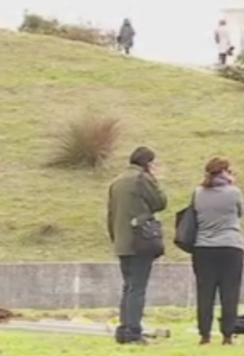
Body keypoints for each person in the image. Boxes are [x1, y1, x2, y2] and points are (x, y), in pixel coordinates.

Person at [107, 146, 168, 344]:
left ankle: (124, 330)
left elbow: (110, 214)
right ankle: (134, 331)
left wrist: (115, 238)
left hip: (121, 241)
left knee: (129, 287)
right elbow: (160, 202)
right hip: (140, 241)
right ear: (148, 163)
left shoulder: (116, 182)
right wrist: (155, 179)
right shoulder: (142, 179)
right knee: (138, 288)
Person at [191, 156, 244, 345]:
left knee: (205, 292)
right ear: (225, 172)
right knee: (230, 292)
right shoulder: (234, 192)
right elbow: (240, 213)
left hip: (203, 248)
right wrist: (231, 184)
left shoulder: (198, 192)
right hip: (231, 246)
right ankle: (227, 335)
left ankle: (205, 335)